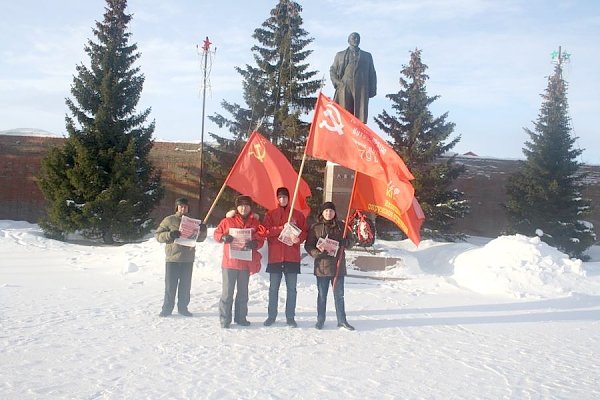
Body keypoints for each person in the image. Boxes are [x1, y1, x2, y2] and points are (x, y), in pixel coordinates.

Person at [214, 195, 264, 328]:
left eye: (246, 205)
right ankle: (225, 320)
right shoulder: (227, 221)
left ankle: (241, 318)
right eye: (241, 205)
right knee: (227, 293)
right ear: (237, 207)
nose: (244, 208)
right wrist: (223, 237)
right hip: (229, 263)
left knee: (243, 293)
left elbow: (260, 238)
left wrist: (255, 243)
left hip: (245, 264)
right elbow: (216, 234)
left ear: (250, 207)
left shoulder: (255, 223)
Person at [261, 187, 308, 328]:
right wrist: (281, 228)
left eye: (285, 197)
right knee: (273, 289)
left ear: (289, 198)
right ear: (277, 199)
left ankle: (290, 316)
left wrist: (298, 239)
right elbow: (265, 231)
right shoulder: (270, 214)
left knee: (292, 289)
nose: (283, 200)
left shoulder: (298, 215)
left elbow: (305, 231)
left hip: (291, 257)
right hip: (275, 257)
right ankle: (271, 316)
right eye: (280, 197)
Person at [304, 201, 355, 330]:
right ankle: (320, 320)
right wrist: (316, 253)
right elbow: (308, 245)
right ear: (322, 213)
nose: (329, 213)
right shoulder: (316, 227)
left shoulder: (341, 226)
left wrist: (346, 242)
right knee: (322, 295)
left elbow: (352, 240)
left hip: (338, 266)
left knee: (339, 295)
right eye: (326, 211)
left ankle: (342, 320)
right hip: (322, 266)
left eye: (331, 211)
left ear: (334, 213)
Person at [155, 197, 207, 317]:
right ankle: (167, 308)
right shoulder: (169, 220)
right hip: (172, 258)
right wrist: (170, 235)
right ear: (177, 207)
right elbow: (158, 235)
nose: (183, 208)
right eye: (181, 206)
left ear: (188, 208)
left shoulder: (193, 221)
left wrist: (203, 231)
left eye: (185, 206)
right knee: (170, 285)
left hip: (187, 258)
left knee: (185, 285)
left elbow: (200, 239)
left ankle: (183, 308)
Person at [330, 32, 377, 123]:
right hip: (345, 87)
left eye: (358, 38)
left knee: (359, 117)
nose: (356, 39)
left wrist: (372, 90)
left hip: (361, 89)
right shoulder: (340, 55)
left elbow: (372, 73)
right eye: (353, 37)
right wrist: (338, 83)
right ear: (348, 40)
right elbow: (332, 70)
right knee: (344, 117)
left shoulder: (367, 56)